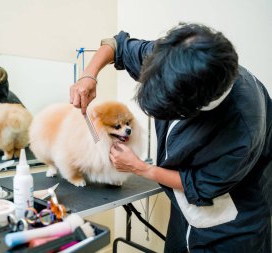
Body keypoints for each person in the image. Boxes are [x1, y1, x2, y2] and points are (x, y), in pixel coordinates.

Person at [70, 23, 272, 252]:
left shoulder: (241, 128)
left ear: (194, 110)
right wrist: (89, 75)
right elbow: (116, 45)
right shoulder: (174, 59)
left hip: (230, 226)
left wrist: (141, 168)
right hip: (184, 211)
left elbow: (200, 185)